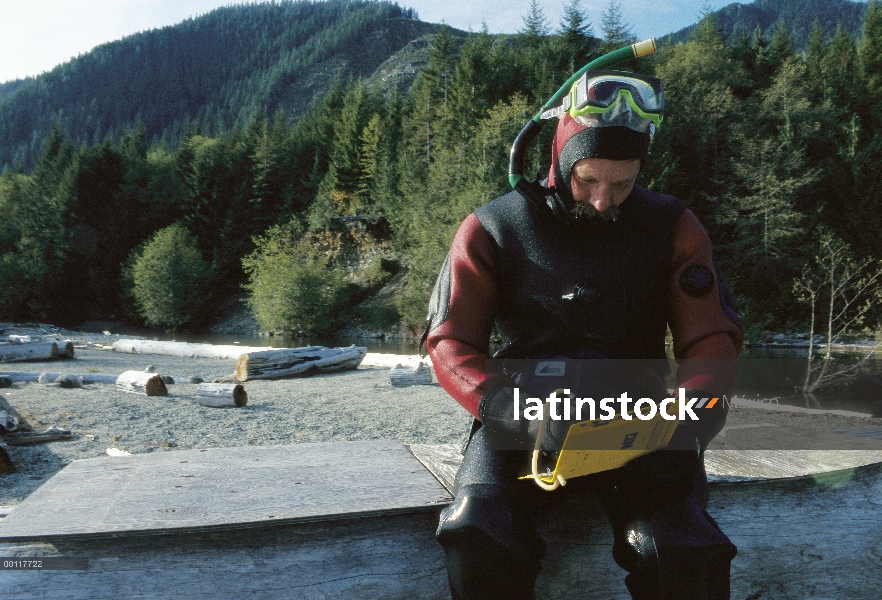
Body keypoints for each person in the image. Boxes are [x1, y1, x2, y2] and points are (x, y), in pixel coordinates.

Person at [423, 69, 743, 599]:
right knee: (479, 530)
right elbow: (450, 343)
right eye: (588, 180)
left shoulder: (673, 226)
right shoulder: (493, 227)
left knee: (681, 547)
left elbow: (712, 340)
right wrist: (504, 407)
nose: (602, 200)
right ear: (561, 158)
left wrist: (685, 420)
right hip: (523, 415)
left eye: (622, 184)